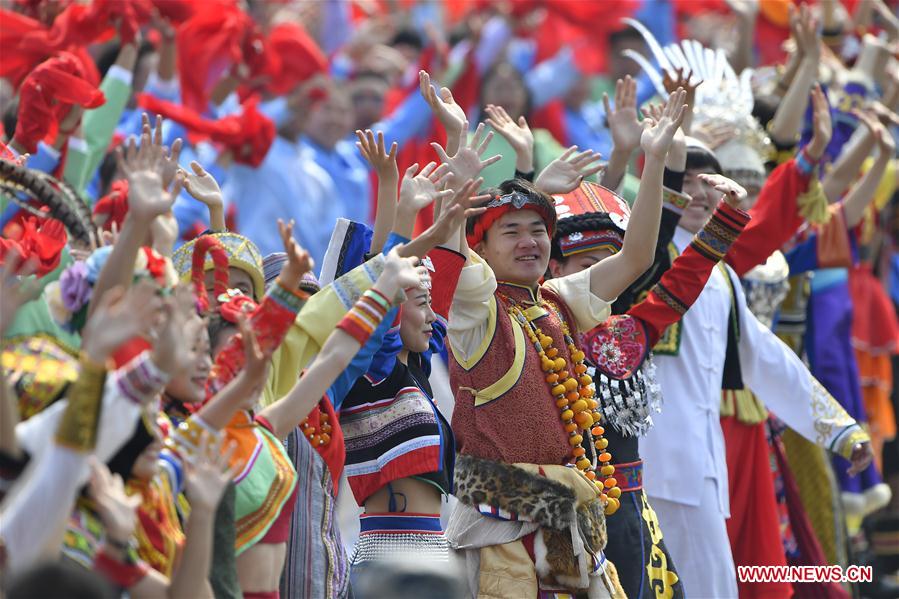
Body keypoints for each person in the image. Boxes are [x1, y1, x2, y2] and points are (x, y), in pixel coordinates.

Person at [444, 89, 686, 597]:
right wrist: (459, 155)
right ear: (482, 248)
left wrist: (657, 159)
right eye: (511, 232)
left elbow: (637, 256)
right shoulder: (478, 312)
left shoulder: (557, 302)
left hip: (571, 528)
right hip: (503, 532)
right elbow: (454, 261)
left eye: (538, 229)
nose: (529, 241)